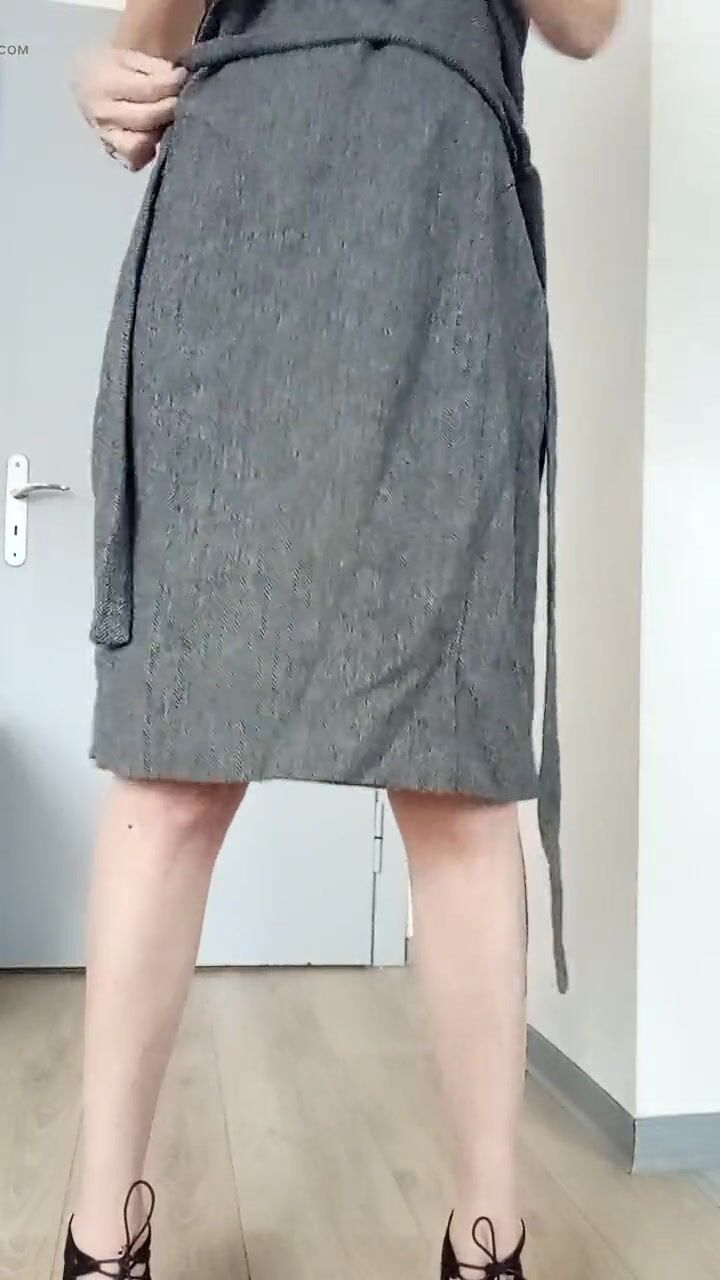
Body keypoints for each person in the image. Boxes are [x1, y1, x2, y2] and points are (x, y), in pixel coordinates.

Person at [65, 2, 620, 1278]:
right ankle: (100, 1234)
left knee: (459, 771)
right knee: (170, 758)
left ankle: (488, 1239)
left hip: (441, 234)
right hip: (235, 230)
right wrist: (106, 66)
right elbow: (146, 48)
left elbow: (589, 23)